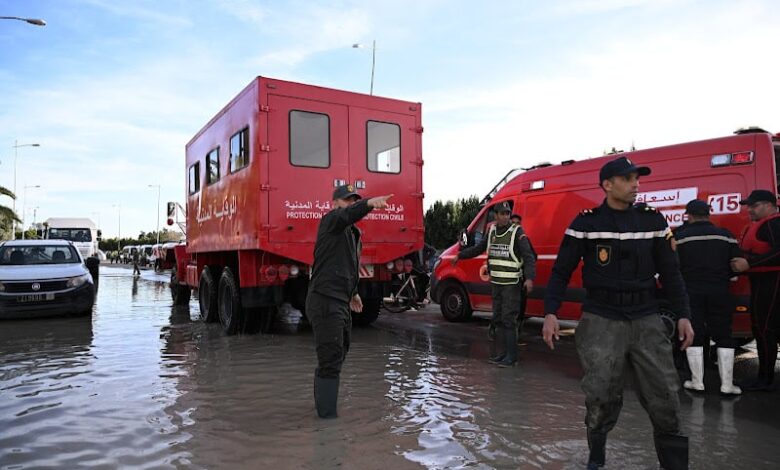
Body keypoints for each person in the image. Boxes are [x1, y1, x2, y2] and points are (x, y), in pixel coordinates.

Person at [542, 156, 694, 470]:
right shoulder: (586, 223)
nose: (636, 184)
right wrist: (550, 312)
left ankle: (675, 465)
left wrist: (683, 314)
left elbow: (671, 271)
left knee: (665, 395)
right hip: (601, 319)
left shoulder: (653, 221)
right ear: (607, 185)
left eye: (637, 179)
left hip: (646, 319)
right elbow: (561, 271)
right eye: (628, 179)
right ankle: (596, 459)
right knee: (600, 395)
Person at [308, 184, 392, 418]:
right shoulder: (331, 222)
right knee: (331, 357)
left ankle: (322, 402)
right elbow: (347, 215)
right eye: (348, 200)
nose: (351, 204)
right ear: (335, 203)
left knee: (340, 350)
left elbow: (348, 266)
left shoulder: (353, 234)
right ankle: (326, 422)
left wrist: (354, 292)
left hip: (341, 300)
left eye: (355, 200)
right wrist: (367, 204)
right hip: (325, 300)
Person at [452, 200, 536, 367]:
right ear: (496, 216)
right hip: (496, 283)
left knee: (508, 319)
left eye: (507, 214)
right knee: (497, 318)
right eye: (502, 214)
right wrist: (460, 255)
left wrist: (529, 278)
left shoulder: (517, 232)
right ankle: (502, 354)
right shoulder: (491, 232)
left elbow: (528, 256)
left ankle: (511, 357)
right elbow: (478, 249)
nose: (505, 217)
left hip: (511, 284)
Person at [674, 199, 742, 395]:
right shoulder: (726, 236)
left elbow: (673, 267)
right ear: (709, 214)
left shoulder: (680, 237)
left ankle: (697, 382)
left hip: (691, 291)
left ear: (689, 215)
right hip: (720, 290)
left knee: (694, 331)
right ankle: (727, 385)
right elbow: (736, 265)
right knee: (723, 333)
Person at [730, 189, 780, 391]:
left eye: (754, 205)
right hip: (761, 282)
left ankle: (765, 380)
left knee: (765, 329)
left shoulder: (774, 223)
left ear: (769, 205)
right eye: (748, 205)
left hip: (773, 282)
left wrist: (749, 264)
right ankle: (763, 376)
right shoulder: (762, 224)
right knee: (760, 328)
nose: (749, 209)